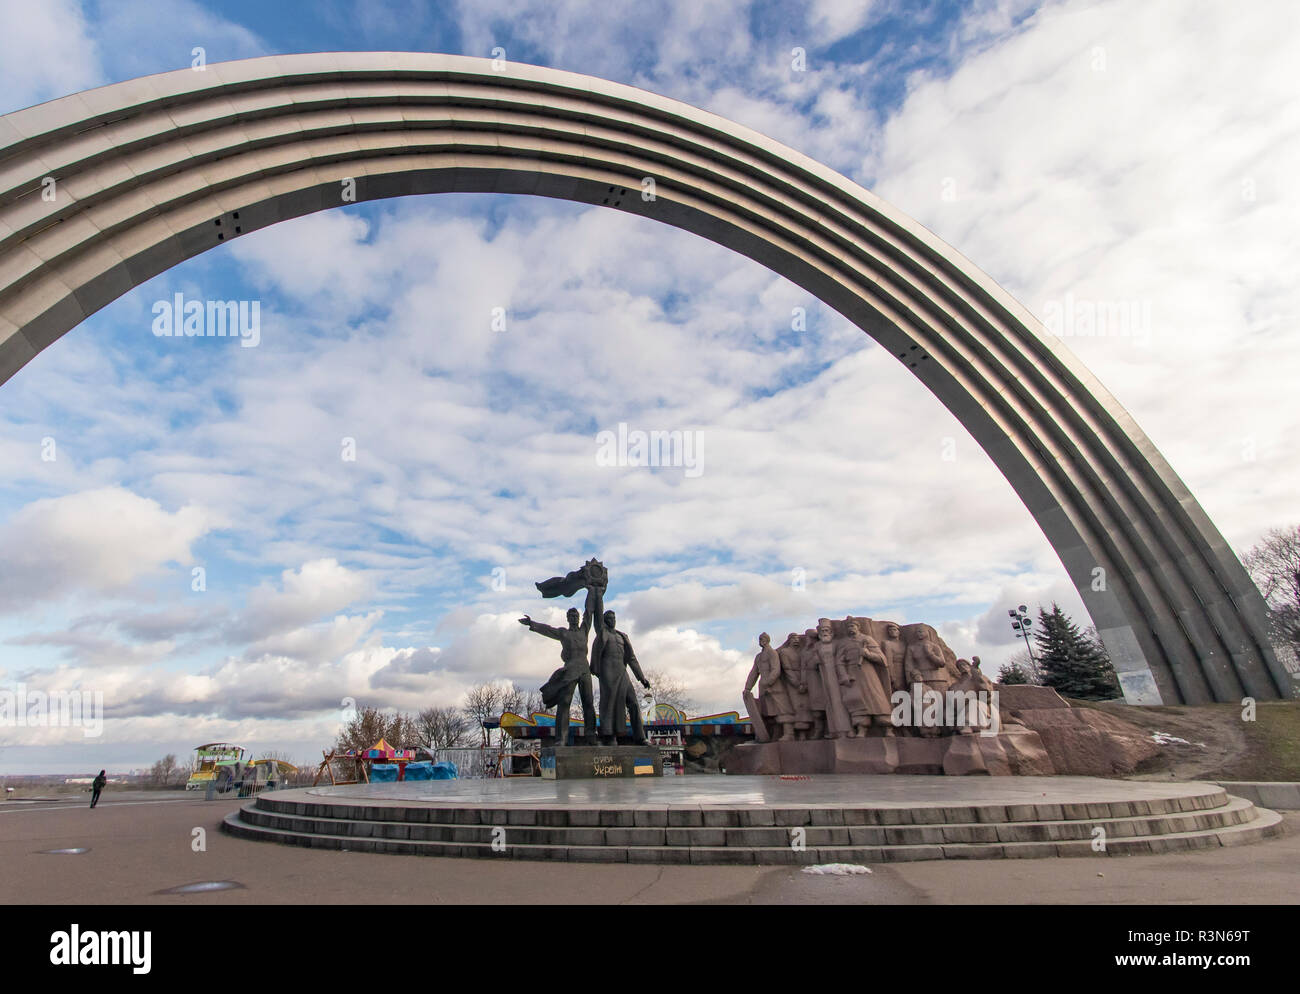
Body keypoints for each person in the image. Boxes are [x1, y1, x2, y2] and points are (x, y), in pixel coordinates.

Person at [521, 582, 603, 745]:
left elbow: (589, 612)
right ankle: (562, 738)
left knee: (588, 703)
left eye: (576, 617)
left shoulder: (583, 630)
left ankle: (591, 735)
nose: (574, 618)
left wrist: (592, 592)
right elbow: (548, 629)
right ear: (567, 619)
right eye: (571, 617)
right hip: (570, 669)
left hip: (584, 669)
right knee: (565, 702)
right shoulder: (563, 633)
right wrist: (532, 624)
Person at [591, 608, 651, 745]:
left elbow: (631, 658)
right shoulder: (602, 634)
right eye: (609, 619)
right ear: (605, 621)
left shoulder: (622, 636)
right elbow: (596, 652)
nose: (612, 621)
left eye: (614, 618)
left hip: (622, 672)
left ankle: (640, 737)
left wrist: (642, 678)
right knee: (609, 704)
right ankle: (610, 736)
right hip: (608, 674)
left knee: (634, 703)